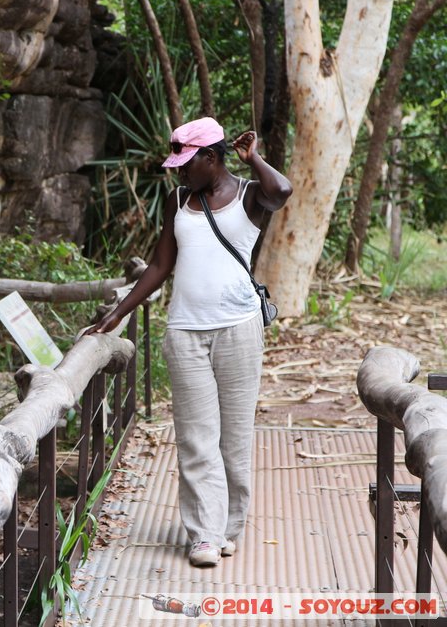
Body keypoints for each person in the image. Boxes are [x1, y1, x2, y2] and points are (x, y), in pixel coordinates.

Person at [85, 116, 292, 567]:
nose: (179, 173)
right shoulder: (178, 198)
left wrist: (253, 156)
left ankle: (228, 528)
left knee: (234, 437)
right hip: (185, 332)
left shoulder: (248, 195)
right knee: (197, 438)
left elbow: (282, 191)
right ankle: (203, 534)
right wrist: (117, 313)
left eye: (186, 164)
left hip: (238, 330)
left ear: (212, 158)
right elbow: (160, 266)